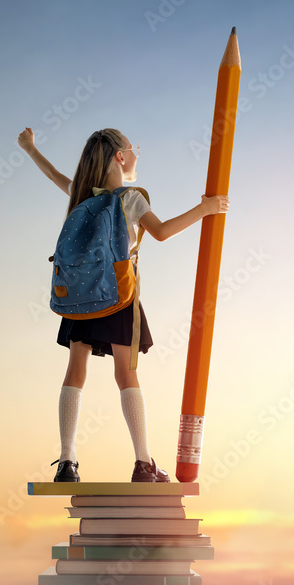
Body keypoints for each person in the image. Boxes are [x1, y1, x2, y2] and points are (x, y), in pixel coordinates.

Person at [17, 127, 229, 483]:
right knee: (126, 373)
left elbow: (55, 175)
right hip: (116, 293)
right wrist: (205, 208)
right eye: (134, 149)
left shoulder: (81, 194)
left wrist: (30, 148)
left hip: (80, 295)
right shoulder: (129, 198)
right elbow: (160, 232)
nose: (136, 154)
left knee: (75, 370)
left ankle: (67, 460)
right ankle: (143, 463)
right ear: (120, 156)